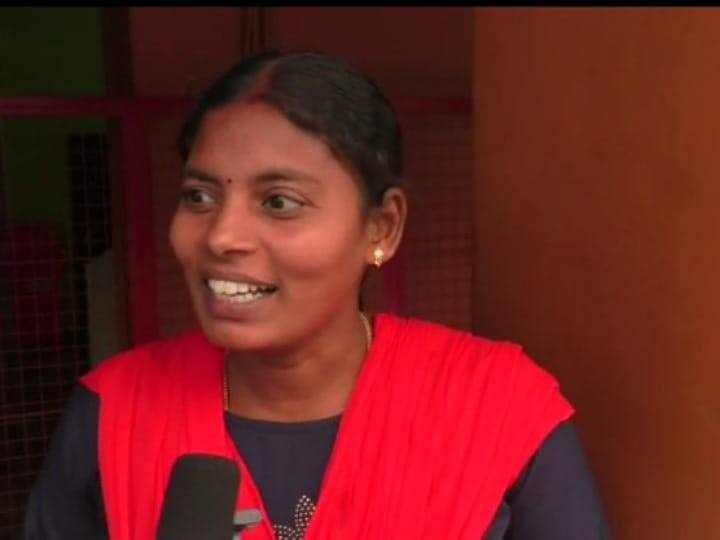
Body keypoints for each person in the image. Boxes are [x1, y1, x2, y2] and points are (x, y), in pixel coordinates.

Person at [22, 51, 612, 539]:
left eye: (279, 202)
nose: (221, 236)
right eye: (199, 197)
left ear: (381, 229)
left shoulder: (500, 407)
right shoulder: (112, 413)